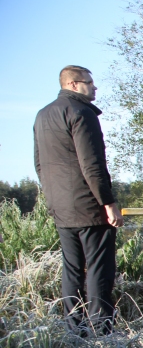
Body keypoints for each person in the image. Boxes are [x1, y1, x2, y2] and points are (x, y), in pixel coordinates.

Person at [34, 65, 124, 334]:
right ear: (73, 84)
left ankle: (75, 330)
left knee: (71, 269)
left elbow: (39, 164)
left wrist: (52, 195)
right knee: (99, 268)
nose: (94, 87)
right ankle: (101, 330)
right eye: (89, 82)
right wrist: (108, 202)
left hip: (59, 205)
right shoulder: (82, 112)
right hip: (88, 204)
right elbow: (92, 164)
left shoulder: (42, 115)